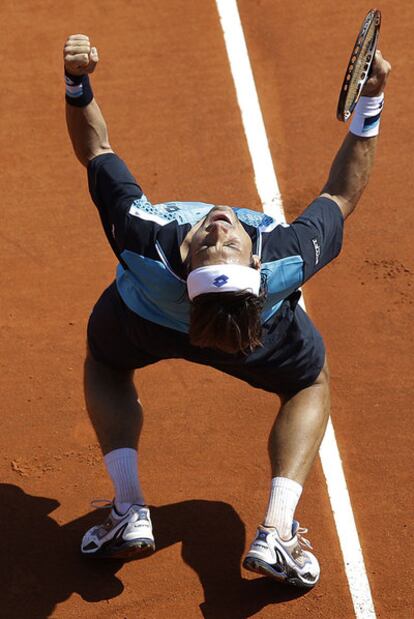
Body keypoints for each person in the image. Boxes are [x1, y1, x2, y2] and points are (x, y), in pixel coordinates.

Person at [63, 33, 391, 587]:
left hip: (143, 323)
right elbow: (340, 195)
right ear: (258, 277)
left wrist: (77, 84)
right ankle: (279, 532)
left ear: (189, 270)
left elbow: (96, 150)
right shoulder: (287, 259)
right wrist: (371, 102)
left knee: (105, 361)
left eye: (215, 242)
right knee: (310, 382)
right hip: (256, 338)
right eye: (225, 241)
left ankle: (128, 511)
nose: (218, 227)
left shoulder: (142, 236)